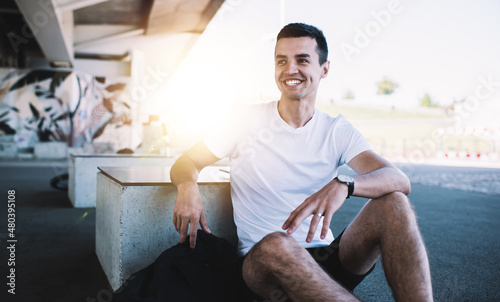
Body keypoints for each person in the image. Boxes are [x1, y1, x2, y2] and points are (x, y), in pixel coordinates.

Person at [170, 23, 433, 301]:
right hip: (264, 265)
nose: (290, 69)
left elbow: (398, 180)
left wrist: (344, 184)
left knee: (394, 204)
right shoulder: (243, 120)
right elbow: (187, 161)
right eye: (281, 61)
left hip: (327, 258)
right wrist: (187, 185)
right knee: (277, 245)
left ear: (324, 69)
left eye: (302, 60)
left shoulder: (336, 130)